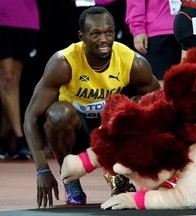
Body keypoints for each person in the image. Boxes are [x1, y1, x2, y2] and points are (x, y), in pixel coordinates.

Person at [23, 6, 160, 208]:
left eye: (108, 32)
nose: (104, 39)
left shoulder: (132, 62)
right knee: (59, 114)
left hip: (110, 131)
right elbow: (31, 117)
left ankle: (119, 174)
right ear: (82, 36)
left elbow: (160, 102)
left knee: (142, 104)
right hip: (76, 132)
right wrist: (42, 169)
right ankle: (69, 177)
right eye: (95, 34)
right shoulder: (63, 62)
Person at [0, 0, 40, 160]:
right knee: (8, 77)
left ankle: (3, 138)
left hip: (26, 17)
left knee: (14, 80)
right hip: (2, 15)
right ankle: (20, 138)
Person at [125, 0, 182, 87]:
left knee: (189, 83)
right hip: (159, 31)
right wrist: (137, 28)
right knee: (160, 87)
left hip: (190, 28)